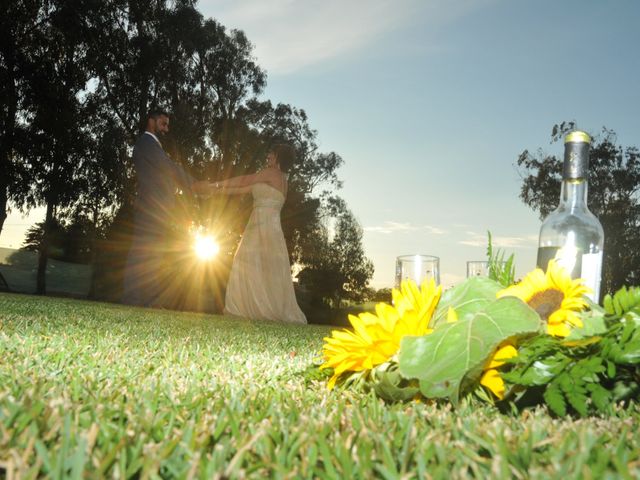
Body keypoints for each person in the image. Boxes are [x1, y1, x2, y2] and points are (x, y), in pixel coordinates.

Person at [211, 144, 307, 324]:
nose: (268, 155)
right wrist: (216, 191)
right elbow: (242, 189)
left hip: (264, 226)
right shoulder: (282, 179)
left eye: (272, 153)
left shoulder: (272, 174)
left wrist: (215, 184)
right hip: (268, 228)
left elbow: (245, 180)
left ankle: (251, 309)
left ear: (279, 156)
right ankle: (253, 308)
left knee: (250, 264)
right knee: (264, 268)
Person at [122, 109, 208, 307]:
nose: (166, 129)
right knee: (142, 253)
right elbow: (168, 167)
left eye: (167, 125)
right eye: (163, 123)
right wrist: (194, 184)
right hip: (150, 207)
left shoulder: (153, 145)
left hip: (158, 209)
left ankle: (148, 301)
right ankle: (132, 299)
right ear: (151, 121)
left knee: (153, 255)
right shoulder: (146, 142)